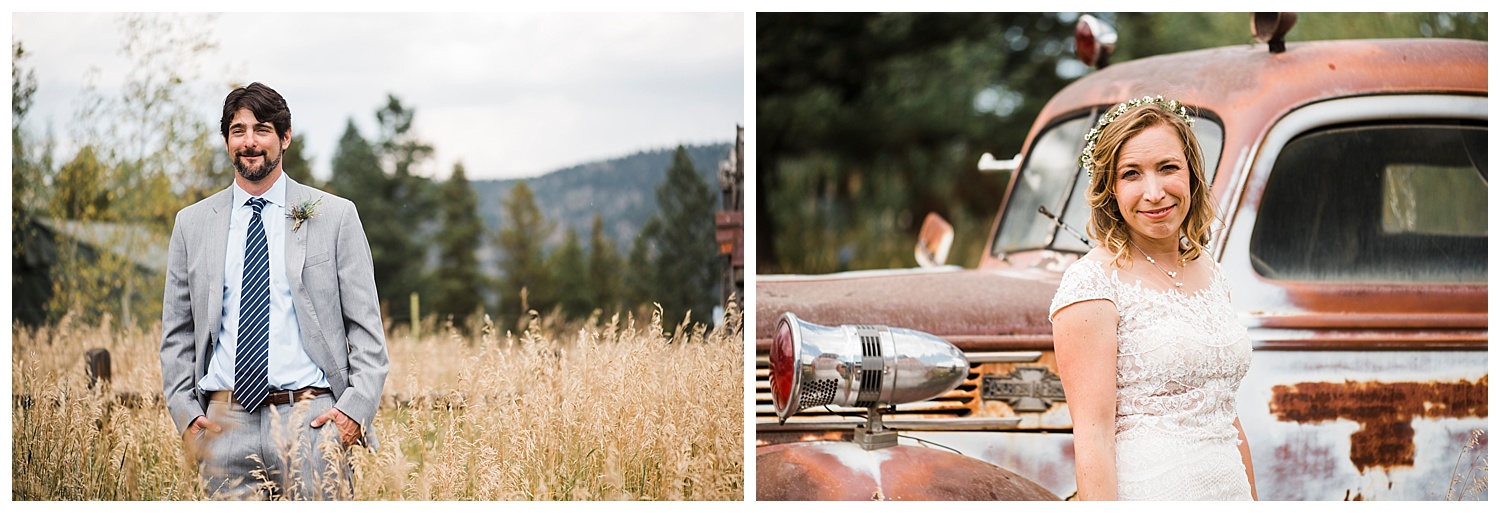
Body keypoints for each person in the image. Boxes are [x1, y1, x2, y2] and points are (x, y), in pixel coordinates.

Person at [160, 82, 388, 500]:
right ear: (227, 140)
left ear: (284, 137)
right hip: (224, 424)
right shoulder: (191, 225)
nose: (249, 142)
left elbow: (367, 330)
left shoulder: (335, 216)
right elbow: (177, 334)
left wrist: (352, 412)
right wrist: (188, 415)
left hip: (313, 419)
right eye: (238, 130)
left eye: (261, 129)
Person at [1049, 96, 1256, 500]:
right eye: (1131, 174)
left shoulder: (1210, 270)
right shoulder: (1091, 284)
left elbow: (1227, 416)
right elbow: (1093, 440)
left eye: (1168, 168)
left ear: (1192, 174)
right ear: (1110, 188)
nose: (1154, 192)